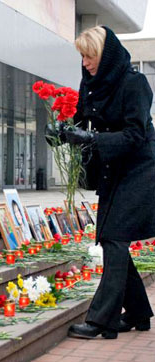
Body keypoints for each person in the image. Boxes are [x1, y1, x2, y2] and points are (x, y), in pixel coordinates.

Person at [54, 26, 155, 339]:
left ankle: (101, 320)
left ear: (106, 54)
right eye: (82, 56)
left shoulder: (134, 84)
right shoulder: (93, 84)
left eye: (89, 55)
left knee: (113, 237)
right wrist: (61, 131)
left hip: (141, 169)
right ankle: (138, 313)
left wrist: (91, 137)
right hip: (114, 170)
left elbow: (136, 135)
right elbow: (83, 121)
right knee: (112, 237)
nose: (84, 62)